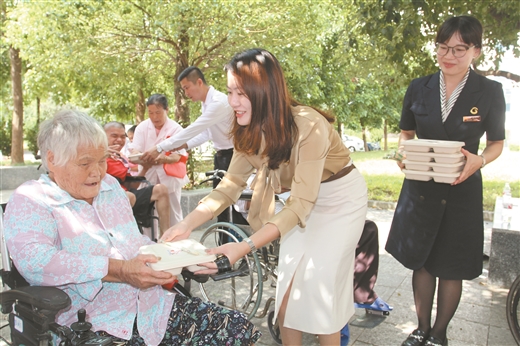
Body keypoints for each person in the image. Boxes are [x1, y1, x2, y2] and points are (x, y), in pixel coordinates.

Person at [160, 48, 368, 345]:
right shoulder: (246, 131)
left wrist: (242, 247)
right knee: (287, 298)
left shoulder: (308, 125)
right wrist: (187, 224)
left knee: (321, 294)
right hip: (298, 204)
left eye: (240, 93)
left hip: (340, 201)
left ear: (264, 91)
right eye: (230, 92)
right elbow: (228, 187)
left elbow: (300, 205)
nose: (232, 102)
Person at [3, 110, 261, 346]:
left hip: (152, 309)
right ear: (52, 159)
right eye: (85, 163)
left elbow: (132, 242)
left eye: (102, 160)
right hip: (91, 323)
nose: (97, 172)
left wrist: (184, 255)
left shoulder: (110, 188)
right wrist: (119, 270)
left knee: (238, 329)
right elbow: (36, 261)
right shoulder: (32, 200)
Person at [385, 16, 505, 346]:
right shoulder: (418, 87)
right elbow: (406, 132)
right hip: (421, 187)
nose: (448, 55)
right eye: (442, 47)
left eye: (459, 49)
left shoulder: (490, 91)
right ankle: (421, 328)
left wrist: (480, 160)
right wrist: (401, 153)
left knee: (451, 266)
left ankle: (439, 335)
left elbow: (496, 142)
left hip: (461, 189)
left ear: (476, 51)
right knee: (422, 262)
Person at [140, 67, 236, 222]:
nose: (186, 93)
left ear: (199, 82)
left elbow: (194, 129)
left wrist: (159, 147)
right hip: (222, 157)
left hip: (233, 156)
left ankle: (234, 243)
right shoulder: (207, 104)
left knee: (231, 206)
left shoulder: (218, 102)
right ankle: (224, 242)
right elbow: (207, 134)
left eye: (186, 88)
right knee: (221, 206)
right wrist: (183, 145)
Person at [131, 94, 189, 226]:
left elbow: (179, 155)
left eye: (158, 112)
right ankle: (151, 242)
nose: (154, 117)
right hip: (148, 174)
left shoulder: (175, 128)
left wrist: (165, 159)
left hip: (169, 177)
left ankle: (175, 241)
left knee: (173, 212)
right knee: (148, 214)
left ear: (166, 110)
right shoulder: (142, 127)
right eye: (151, 113)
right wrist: (139, 156)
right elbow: (135, 150)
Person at [104, 121, 170, 236]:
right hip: (106, 198)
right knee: (128, 196)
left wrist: (145, 168)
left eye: (122, 136)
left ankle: (166, 237)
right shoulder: (96, 157)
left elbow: (132, 184)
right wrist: (101, 155)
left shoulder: (121, 158)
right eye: (114, 136)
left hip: (127, 195)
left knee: (161, 189)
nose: (119, 140)